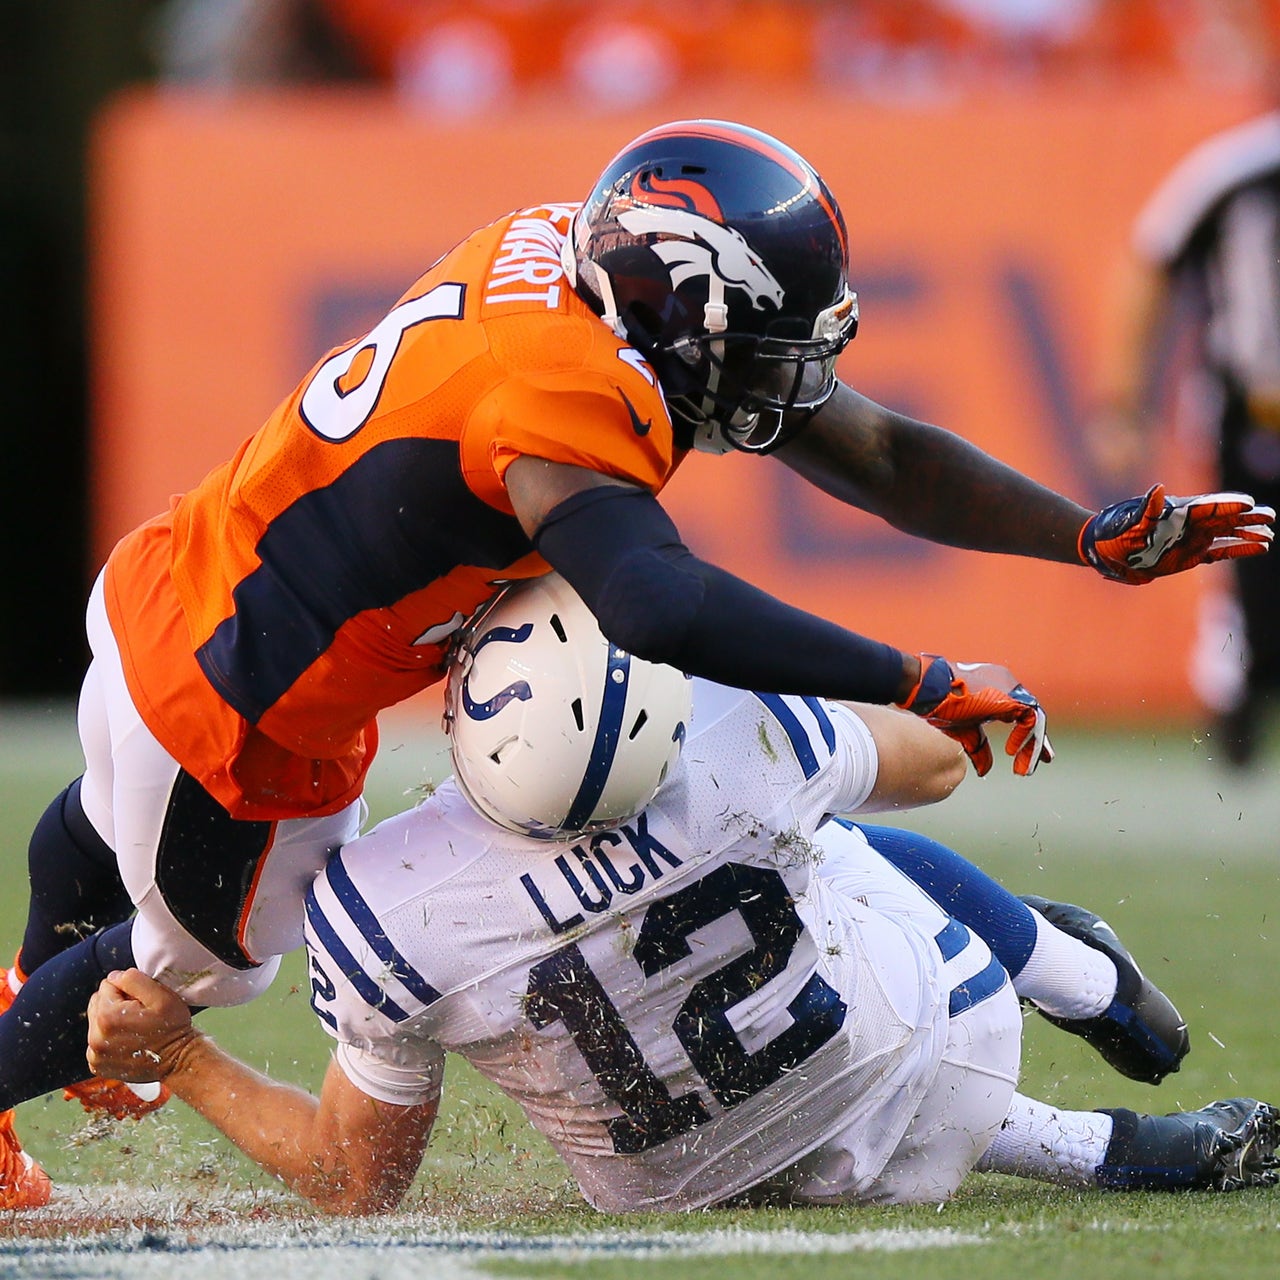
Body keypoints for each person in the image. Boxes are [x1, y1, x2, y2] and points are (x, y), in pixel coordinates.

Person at [0, 118, 1271, 1191]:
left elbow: (876, 452)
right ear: (686, 307)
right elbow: (655, 605)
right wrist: (915, 677)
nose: (790, 379)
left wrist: (1083, 538)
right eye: (766, 342)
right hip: (231, 705)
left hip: (188, 578)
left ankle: (33, 960)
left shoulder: (592, 266)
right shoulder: (559, 393)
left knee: (103, 831)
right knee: (186, 976)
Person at [73, 577, 1276, 1216]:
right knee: (826, 832)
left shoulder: (387, 900)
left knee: (781, 860)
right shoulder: (728, 738)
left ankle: (1105, 1126)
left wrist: (180, 1053)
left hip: (677, 1175)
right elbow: (936, 760)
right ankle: (1080, 977)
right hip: (928, 1062)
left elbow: (351, 1178)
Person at [1093, 104, 1280, 766]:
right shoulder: (1237, 170)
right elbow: (1149, 265)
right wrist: (1120, 401)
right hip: (1253, 408)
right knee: (1243, 559)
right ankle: (1236, 706)